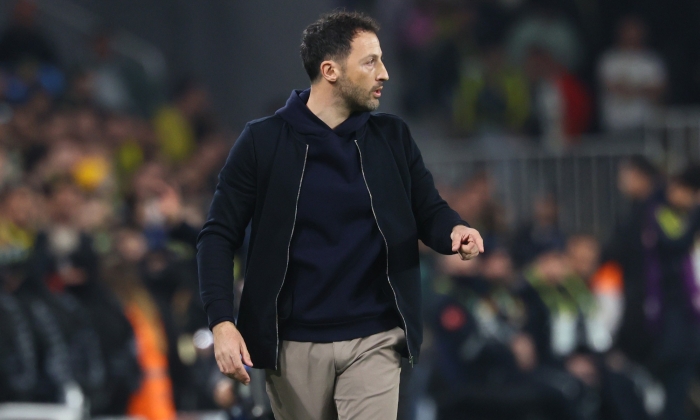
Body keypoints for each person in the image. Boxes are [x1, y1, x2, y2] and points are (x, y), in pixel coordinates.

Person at [197, 11, 483, 420]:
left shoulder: (392, 136)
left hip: (376, 337)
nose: (384, 73)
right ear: (330, 71)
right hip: (291, 344)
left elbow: (428, 209)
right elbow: (217, 236)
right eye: (370, 62)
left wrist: (454, 229)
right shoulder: (263, 141)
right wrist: (222, 322)